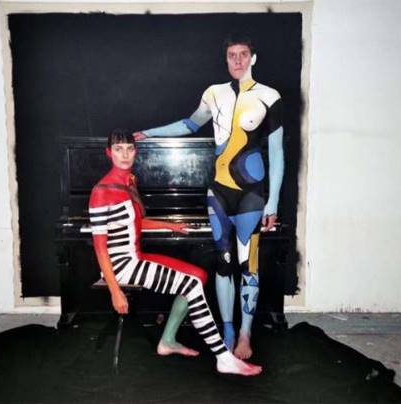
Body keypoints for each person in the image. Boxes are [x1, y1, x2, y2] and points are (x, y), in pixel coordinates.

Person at [133, 34, 285, 360]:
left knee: (248, 265)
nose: (237, 60)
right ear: (226, 58)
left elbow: (277, 152)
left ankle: (245, 335)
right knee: (223, 262)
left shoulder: (269, 96)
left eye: (243, 54)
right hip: (218, 192)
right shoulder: (213, 93)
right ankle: (227, 330)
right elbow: (189, 125)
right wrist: (149, 132)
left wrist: (272, 201)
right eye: (232, 55)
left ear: (253, 58)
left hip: (251, 194)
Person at [88, 128, 262, 376]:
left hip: (135, 258)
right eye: (118, 149)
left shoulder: (129, 182)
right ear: (109, 153)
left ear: (135, 151)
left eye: (129, 148)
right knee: (191, 285)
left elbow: (135, 223)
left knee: (199, 275)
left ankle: (167, 341)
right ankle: (223, 358)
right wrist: (115, 291)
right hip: (121, 266)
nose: (125, 155)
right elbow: (100, 248)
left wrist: (171, 226)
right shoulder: (102, 191)